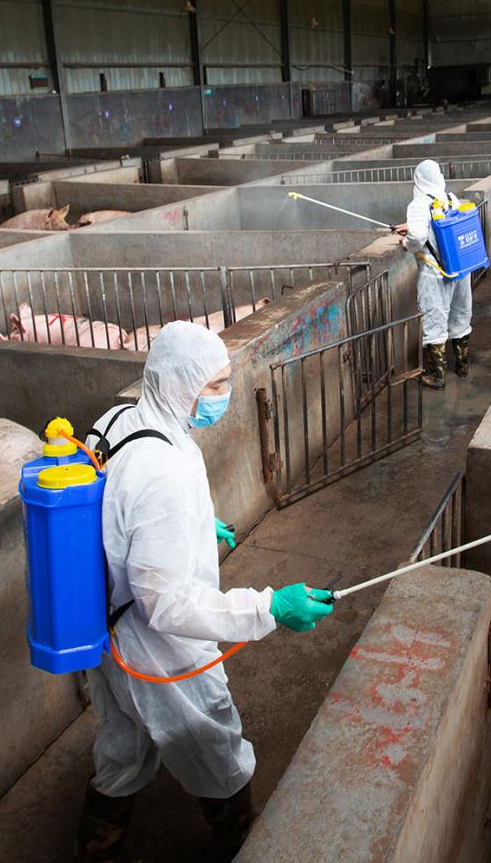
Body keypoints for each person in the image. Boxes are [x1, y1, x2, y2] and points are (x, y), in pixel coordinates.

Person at [75, 321, 334, 862]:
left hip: (105, 630)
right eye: (214, 385)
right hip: (158, 651)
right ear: (177, 382)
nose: (226, 395)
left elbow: (117, 509)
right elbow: (166, 604)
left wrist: (196, 522)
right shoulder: (163, 471)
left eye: (225, 381)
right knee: (217, 748)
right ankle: (241, 841)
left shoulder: (121, 419)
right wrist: (267, 607)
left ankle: (96, 848)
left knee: (123, 748)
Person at [394, 159, 473, 389]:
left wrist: (406, 242)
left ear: (418, 179)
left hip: (435, 273)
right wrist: (412, 226)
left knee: (435, 320)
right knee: (460, 316)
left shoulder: (418, 204)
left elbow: (418, 237)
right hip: (458, 269)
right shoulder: (450, 198)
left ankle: (436, 376)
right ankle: (462, 365)